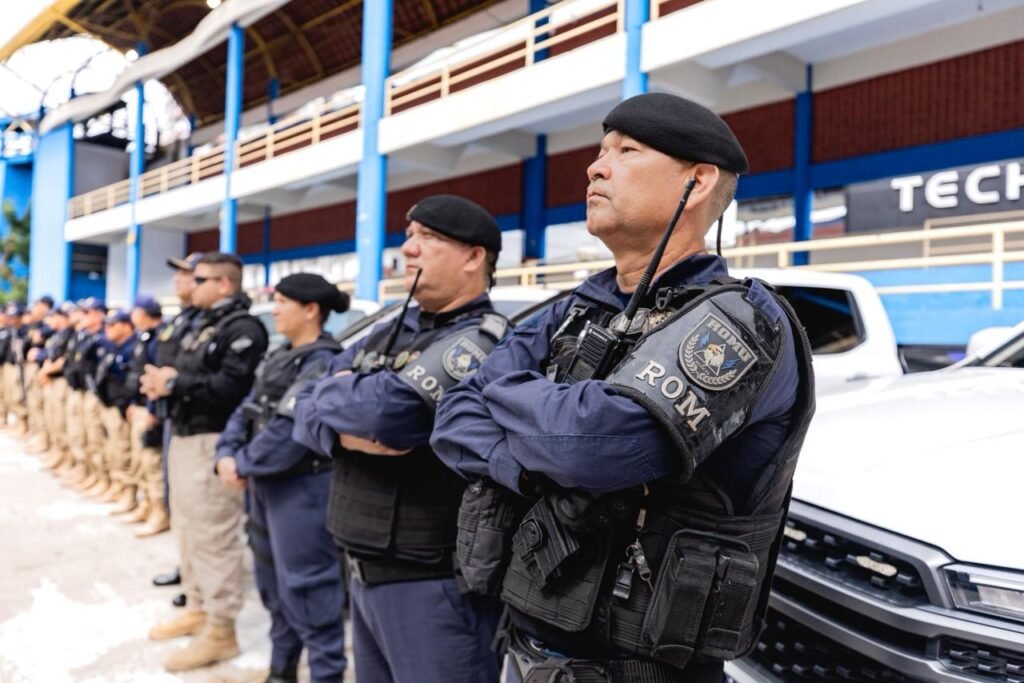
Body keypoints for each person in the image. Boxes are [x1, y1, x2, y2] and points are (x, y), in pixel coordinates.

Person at [430, 93, 816, 683]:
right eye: (600, 151)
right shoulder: (573, 309)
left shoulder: (741, 322)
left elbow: (594, 446)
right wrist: (526, 469)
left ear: (697, 181)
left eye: (626, 151)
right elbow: (453, 414)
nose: (595, 167)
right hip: (524, 653)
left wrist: (503, 391)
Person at [292, 195, 508, 683]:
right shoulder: (388, 330)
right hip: (363, 574)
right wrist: (347, 435)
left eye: (428, 238)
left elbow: (391, 415)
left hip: (434, 587)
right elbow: (300, 407)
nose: (408, 249)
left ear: (474, 257)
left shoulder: (483, 340)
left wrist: (343, 402)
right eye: (409, 236)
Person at [215, 273, 350, 683]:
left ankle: (325, 674)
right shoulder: (280, 355)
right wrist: (226, 453)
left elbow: (289, 432)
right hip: (265, 488)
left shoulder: (324, 361)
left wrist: (241, 463)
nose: (273, 311)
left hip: (302, 491)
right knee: (273, 589)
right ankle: (281, 671)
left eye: (282, 303)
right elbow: (247, 409)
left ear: (310, 310)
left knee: (310, 590)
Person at [142, 251, 268, 672]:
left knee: (214, 534)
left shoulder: (243, 328)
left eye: (199, 280)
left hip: (211, 440)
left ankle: (221, 628)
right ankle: (198, 605)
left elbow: (230, 388)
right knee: (187, 527)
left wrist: (175, 382)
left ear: (224, 284)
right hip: (183, 434)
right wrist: (162, 384)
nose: (189, 286)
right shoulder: (197, 322)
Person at [149, 254, 201, 592]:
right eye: (178, 274)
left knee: (194, 505)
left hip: (195, 420)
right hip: (172, 413)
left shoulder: (205, 323)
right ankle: (186, 567)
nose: (178, 279)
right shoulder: (181, 318)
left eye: (187, 274)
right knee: (176, 498)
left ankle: (197, 578)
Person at [115, 295, 168, 528]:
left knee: (151, 461)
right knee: (141, 461)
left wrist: (152, 410)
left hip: (150, 409)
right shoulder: (144, 337)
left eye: (135, 311)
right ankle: (146, 505)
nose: (132, 316)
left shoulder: (160, 339)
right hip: (138, 406)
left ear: (145, 313)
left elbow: (158, 378)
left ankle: (159, 511)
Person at [93, 309, 138, 508]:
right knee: (111, 449)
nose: (107, 329)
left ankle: (128, 493)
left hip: (123, 408)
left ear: (126, 326)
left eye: (112, 325)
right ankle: (116, 486)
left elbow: (132, 381)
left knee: (123, 451)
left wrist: (129, 403)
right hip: (109, 404)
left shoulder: (133, 347)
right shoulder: (114, 346)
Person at [37, 302, 76, 473]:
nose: (51, 320)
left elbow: (63, 360)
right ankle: (58, 453)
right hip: (52, 380)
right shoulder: (57, 334)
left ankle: (68, 458)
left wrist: (47, 370)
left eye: (54, 316)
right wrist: (45, 369)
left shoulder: (70, 334)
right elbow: (51, 355)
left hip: (61, 381)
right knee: (53, 420)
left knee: (62, 422)